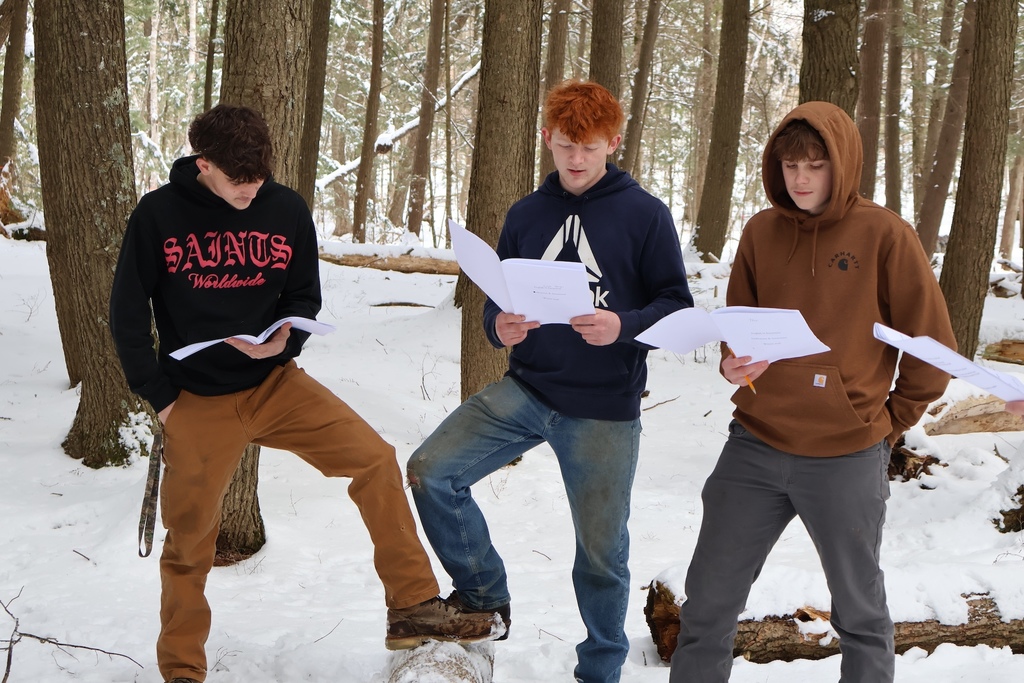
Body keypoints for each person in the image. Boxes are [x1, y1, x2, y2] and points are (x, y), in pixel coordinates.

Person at [109, 104, 503, 683]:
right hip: (196, 400)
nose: (248, 195)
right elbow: (125, 311)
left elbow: (303, 295)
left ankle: (413, 606)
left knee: (374, 460)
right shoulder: (158, 214)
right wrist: (161, 397)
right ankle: (182, 670)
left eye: (256, 183)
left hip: (276, 385)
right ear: (204, 163)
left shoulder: (285, 208)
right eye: (235, 185)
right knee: (189, 543)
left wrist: (284, 342)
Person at [406, 79, 694, 683]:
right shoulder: (526, 214)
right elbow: (496, 301)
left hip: (603, 409)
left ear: (613, 141)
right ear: (547, 140)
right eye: (566, 144)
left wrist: (624, 324)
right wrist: (499, 326)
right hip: (528, 390)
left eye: (589, 145)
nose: (577, 158)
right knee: (432, 470)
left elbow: (676, 306)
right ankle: (484, 595)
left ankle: (600, 671)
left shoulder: (644, 215)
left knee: (601, 554)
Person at [668, 101, 955, 683]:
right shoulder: (761, 231)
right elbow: (738, 331)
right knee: (708, 604)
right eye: (790, 164)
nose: (800, 178)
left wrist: (882, 423)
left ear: (841, 164)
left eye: (816, 165)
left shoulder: (884, 234)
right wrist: (732, 366)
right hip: (755, 444)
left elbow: (932, 349)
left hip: (846, 455)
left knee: (860, 612)